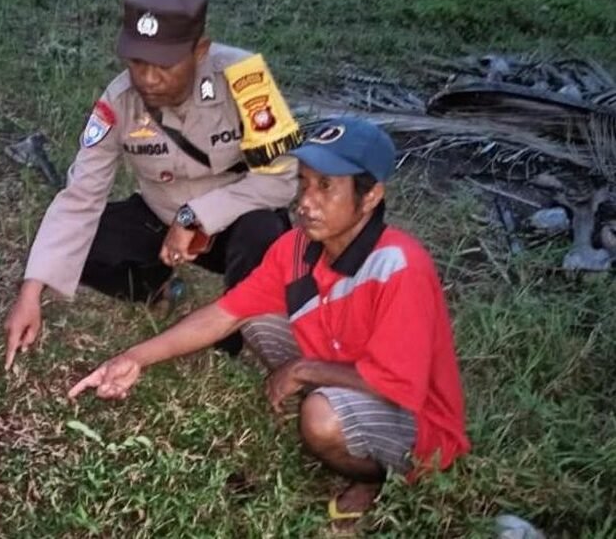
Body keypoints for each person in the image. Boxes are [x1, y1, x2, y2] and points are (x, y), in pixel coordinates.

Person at [69, 117, 470, 523]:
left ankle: (374, 479)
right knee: (255, 316)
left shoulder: (399, 265)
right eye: (305, 182)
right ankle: (326, 401)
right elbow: (224, 315)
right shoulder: (297, 247)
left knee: (320, 418)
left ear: (370, 197)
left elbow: (398, 382)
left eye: (326, 187)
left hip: (414, 416)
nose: (305, 202)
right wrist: (135, 358)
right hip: (344, 367)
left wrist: (302, 368)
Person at [4, 0, 300, 368]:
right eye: (137, 61)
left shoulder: (246, 81)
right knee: (79, 248)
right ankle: (153, 287)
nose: (147, 78)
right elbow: (81, 198)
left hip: (237, 220)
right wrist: (31, 292)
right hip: (162, 220)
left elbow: (281, 179)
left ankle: (231, 329)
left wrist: (195, 216)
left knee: (264, 234)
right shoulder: (119, 100)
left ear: (200, 51)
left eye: (164, 64)